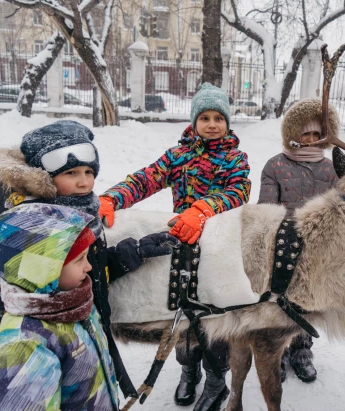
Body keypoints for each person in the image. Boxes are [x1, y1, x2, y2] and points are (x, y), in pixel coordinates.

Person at [0, 120, 177, 400]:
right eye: (71, 172)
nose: (85, 181)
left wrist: (130, 254)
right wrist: (6, 373)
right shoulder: (25, 233)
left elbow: (78, 274)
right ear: (41, 177)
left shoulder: (82, 215)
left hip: (81, 351)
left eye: (89, 171)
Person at [99, 83, 251, 411]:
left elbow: (239, 192)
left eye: (218, 118)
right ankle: (188, 369)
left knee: (214, 316)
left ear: (227, 122)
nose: (212, 124)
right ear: (194, 122)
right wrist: (112, 197)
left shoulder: (235, 158)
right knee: (182, 310)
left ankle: (215, 379)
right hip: (182, 246)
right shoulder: (178, 156)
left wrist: (202, 209)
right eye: (205, 117)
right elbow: (145, 179)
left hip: (220, 249)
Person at [0, 203, 121, 410]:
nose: (89, 266)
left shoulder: (72, 305)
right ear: (44, 270)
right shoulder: (23, 347)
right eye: (80, 259)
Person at [257, 97, 339, 382]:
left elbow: (338, 207)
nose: (312, 139)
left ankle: (303, 349)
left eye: (318, 134)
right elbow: (266, 210)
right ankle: (278, 351)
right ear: (293, 133)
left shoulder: (330, 169)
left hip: (318, 247)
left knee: (311, 300)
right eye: (306, 133)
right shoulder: (275, 166)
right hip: (283, 246)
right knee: (279, 300)